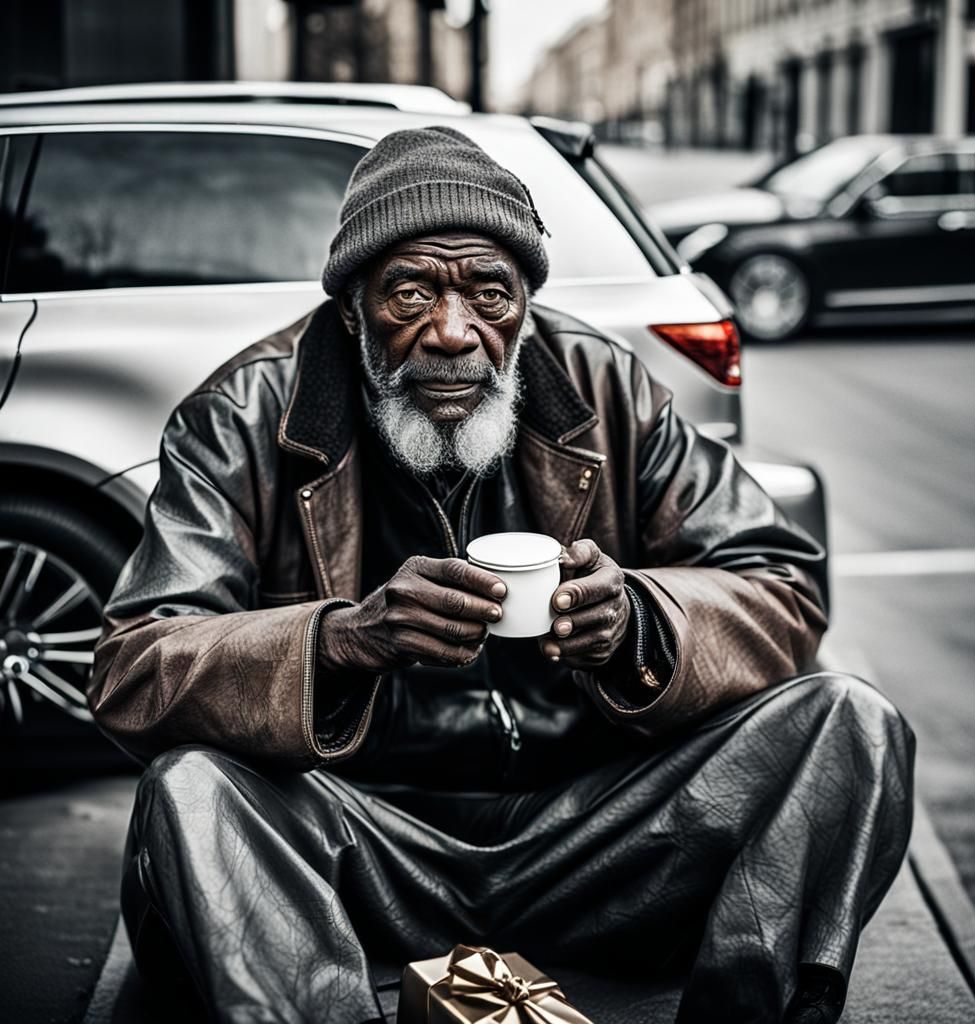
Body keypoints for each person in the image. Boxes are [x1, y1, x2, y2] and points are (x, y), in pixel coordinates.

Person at [88, 127, 914, 1024]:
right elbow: (136, 666)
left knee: (850, 723)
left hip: (592, 845)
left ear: (524, 302)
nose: (451, 332)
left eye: (488, 292)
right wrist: (342, 640)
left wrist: (640, 621)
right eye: (410, 291)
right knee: (191, 789)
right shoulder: (240, 415)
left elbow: (779, 581)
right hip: (356, 844)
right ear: (355, 305)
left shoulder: (606, 388)